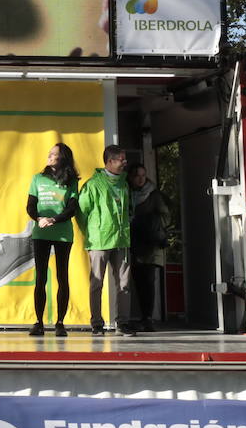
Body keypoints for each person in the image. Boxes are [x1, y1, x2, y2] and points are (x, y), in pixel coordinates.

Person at [77, 144, 132, 336]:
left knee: (124, 284)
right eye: (121, 159)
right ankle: (97, 324)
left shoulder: (124, 184)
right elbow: (81, 213)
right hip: (99, 241)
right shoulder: (92, 185)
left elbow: (128, 211)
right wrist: (93, 232)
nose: (125, 163)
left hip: (121, 240)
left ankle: (123, 323)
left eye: (125, 159)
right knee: (97, 282)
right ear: (109, 161)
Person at [27, 143, 79, 338]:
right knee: (41, 278)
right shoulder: (38, 178)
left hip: (63, 234)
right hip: (41, 233)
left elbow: (72, 208)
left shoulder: (72, 181)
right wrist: (39, 219)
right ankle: (39, 322)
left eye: (54, 154)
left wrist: (54, 219)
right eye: (49, 153)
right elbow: (31, 206)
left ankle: (59, 323)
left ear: (63, 158)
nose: (49, 156)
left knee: (62, 277)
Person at [129, 164, 173, 333]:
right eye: (137, 175)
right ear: (131, 178)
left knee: (148, 282)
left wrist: (147, 221)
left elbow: (166, 217)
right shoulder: (128, 194)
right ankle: (143, 317)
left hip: (151, 246)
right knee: (138, 282)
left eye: (143, 175)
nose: (141, 178)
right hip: (135, 244)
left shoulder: (154, 195)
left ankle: (148, 318)